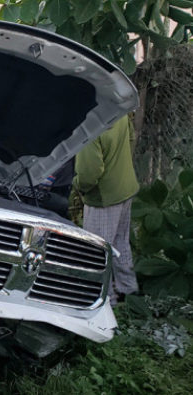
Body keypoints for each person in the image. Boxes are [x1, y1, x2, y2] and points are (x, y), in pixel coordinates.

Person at [73, 115, 139, 305]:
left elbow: (89, 174)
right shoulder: (118, 111)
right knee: (120, 243)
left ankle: (106, 302)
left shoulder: (89, 126)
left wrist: (77, 183)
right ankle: (130, 292)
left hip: (104, 197)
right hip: (125, 188)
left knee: (97, 251)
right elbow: (131, 139)